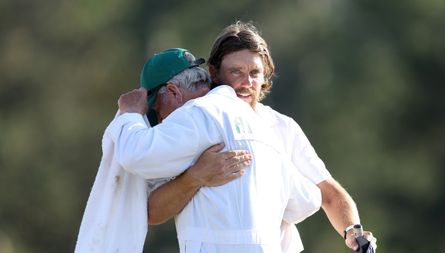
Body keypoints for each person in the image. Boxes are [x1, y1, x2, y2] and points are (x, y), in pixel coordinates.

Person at [146, 21, 377, 252]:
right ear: (214, 73)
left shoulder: (282, 126)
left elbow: (329, 194)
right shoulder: (196, 121)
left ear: (265, 75)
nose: (247, 83)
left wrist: (354, 233)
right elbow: (152, 211)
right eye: (236, 72)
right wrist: (195, 177)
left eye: (255, 73)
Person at [111, 47, 323, 253]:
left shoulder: (194, 114)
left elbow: (133, 155)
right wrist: (196, 178)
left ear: (174, 92)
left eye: (157, 110)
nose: (160, 120)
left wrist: (129, 114)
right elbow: (309, 201)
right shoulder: (260, 125)